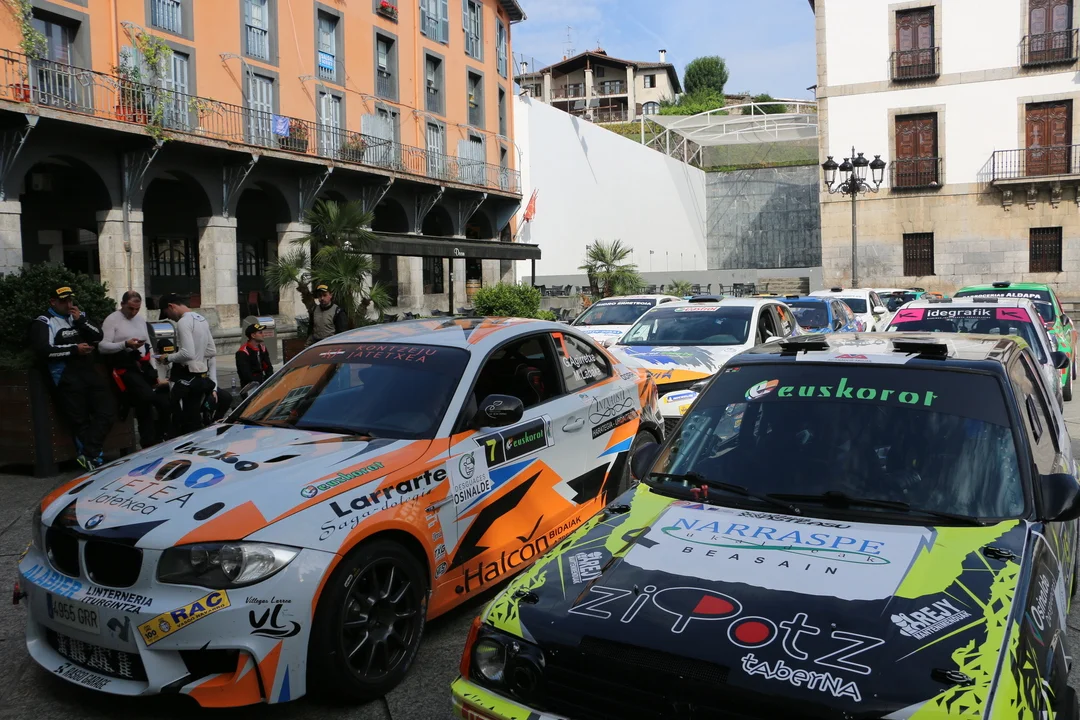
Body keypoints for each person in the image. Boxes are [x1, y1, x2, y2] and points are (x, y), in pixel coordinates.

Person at [30, 285, 116, 470]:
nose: (68, 304)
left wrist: (81, 321)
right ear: (53, 302)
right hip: (65, 375)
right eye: (63, 301)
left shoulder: (79, 316)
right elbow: (44, 351)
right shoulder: (44, 321)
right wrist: (74, 349)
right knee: (80, 420)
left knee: (108, 410)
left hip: (88, 371)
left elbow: (98, 336)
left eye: (70, 300)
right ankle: (93, 459)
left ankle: (89, 453)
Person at [99, 291, 171, 447]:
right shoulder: (112, 320)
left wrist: (153, 369)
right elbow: (103, 346)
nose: (133, 312)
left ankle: (153, 440)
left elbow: (148, 344)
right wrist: (125, 344)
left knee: (150, 405)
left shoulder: (140, 320)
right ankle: (150, 438)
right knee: (148, 398)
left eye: (137, 309)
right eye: (130, 308)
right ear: (122, 304)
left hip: (143, 365)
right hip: (125, 366)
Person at [159, 293, 231, 434]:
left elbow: (187, 353)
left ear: (171, 306)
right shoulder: (201, 319)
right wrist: (198, 357)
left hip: (186, 377)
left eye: (167, 314)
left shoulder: (183, 322)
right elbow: (211, 351)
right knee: (194, 416)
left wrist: (167, 357)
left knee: (184, 418)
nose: (170, 318)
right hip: (199, 378)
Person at [235, 322, 274, 386]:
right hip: (250, 386)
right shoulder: (242, 352)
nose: (263, 335)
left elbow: (268, 368)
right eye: (260, 333)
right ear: (253, 335)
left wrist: (268, 381)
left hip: (262, 383)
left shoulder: (262, 348)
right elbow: (246, 376)